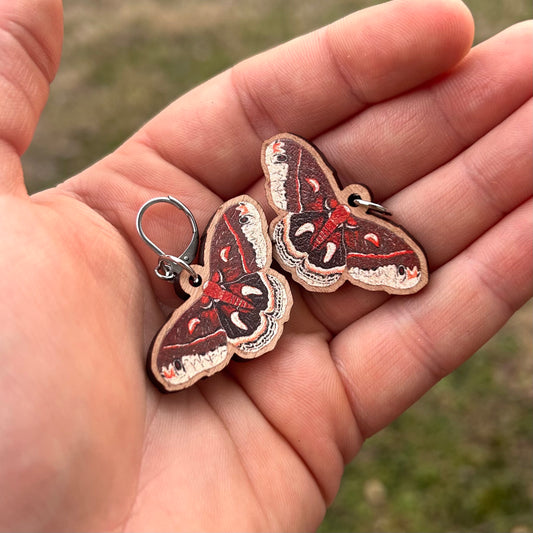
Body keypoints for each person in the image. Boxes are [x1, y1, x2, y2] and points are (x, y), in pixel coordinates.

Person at [0, 0, 531, 530]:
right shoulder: (252, 237)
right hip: (267, 286)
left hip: (278, 268)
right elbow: (251, 203)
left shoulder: (244, 244)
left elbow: (263, 196)